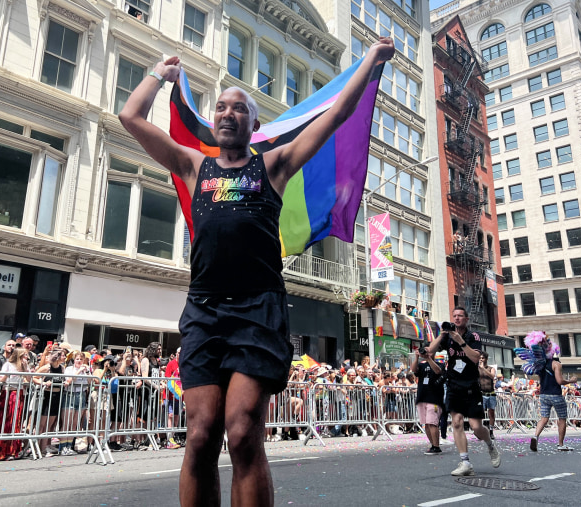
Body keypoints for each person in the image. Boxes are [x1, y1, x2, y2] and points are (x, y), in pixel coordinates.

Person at [119, 36, 395, 505]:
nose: (228, 113)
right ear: (213, 119)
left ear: (255, 123)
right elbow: (131, 118)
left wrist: (368, 61)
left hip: (258, 312)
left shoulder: (275, 165)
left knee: (244, 432)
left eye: (239, 109)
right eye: (221, 107)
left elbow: (335, 116)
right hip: (204, 313)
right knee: (202, 436)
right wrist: (158, 73)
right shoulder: (192, 165)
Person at [426, 307, 500, 476]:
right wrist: (442, 334)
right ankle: (465, 462)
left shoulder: (473, 336)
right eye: (454, 316)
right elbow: (430, 351)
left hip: (471, 385)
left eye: (460, 316)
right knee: (457, 422)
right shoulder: (447, 336)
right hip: (453, 384)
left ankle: (490, 444)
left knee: (476, 427)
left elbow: (475, 358)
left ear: (466, 319)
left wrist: (461, 341)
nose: (457, 319)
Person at [526, 331, 577, 452]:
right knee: (562, 418)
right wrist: (571, 380)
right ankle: (560, 444)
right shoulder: (556, 364)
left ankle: (535, 436)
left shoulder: (540, 365)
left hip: (543, 395)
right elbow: (559, 381)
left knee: (544, 418)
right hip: (555, 395)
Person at [0, 348, 30, 461]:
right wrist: (9, 374)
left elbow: (29, 379)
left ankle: (13, 450)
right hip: (8, 393)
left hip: (19, 393)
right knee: (5, 420)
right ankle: (1, 449)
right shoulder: (8, 364)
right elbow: (2, 379)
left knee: (16, 421)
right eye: (24, 355)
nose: (26, 358)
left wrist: (25, 368)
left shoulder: (24, 366)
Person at [412, 347, 444, 455]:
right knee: (426, 423)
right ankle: (433, 445)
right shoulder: (421, 365)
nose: (426, 352)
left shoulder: (440, 364)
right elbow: (414, 370)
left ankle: (436, 446)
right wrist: (416, 358)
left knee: (432, 422)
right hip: (422, 397)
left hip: (434, 398)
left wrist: (429, 358)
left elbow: (438, 371)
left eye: (429, 350)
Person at [478, 352, 497, 439]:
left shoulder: (491, 368)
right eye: (480, 358)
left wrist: (484, 369)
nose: (481, 359)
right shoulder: (477, 369)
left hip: (491, 393)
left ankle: (491, 431)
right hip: (481, 393)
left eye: (483, 358)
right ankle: (480, 431)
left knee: (491, 413)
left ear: (486, 359)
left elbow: (492, 376)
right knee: (480, 413)